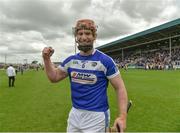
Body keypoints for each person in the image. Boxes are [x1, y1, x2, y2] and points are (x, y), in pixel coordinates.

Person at [42, 19, 128, 132]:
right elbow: (54, 77)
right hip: (75, 114)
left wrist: (122, 117)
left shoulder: (105, 61)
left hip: (97, 116)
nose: (83, 37)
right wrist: (46, 59)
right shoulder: (71, 61)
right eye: (80, 33)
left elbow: (120, 88)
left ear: (94, 36)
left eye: (87, 33)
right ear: (76, 37)